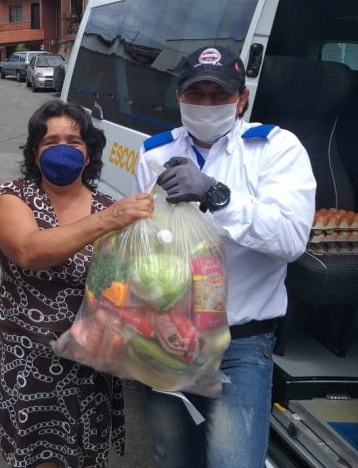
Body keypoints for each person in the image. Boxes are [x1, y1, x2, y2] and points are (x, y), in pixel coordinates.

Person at [133, 45, 316, 468]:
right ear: (179, 96)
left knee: (232, 461)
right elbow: (143, 241)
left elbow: (291, 239)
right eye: (197, 94)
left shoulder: (275, 149)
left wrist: (216, 195)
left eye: (220, 95)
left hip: (242, 342)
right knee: (173, 456)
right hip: (167, 339)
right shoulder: (152, 153)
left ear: (242, 99)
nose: (208, 104)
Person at [0, 99, 154, 468]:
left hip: (90, 372)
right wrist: (109, 220)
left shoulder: (108, 206)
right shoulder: (14, 197)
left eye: (73, 141)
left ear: (89, 152)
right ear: (35, 152)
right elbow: (29, 251)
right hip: (29, 370)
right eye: (50, 142)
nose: (62, 149)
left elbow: (124, 285)